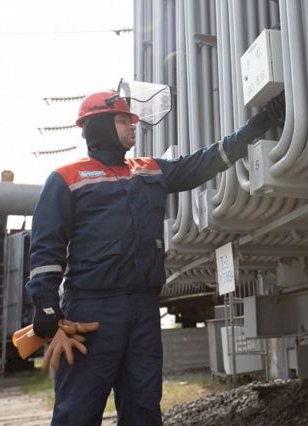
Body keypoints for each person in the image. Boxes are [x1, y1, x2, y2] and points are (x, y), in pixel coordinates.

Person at [25, 89, 285, 425]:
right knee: (77, 411)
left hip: (144, 311)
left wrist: (260, 124)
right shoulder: (66, 179)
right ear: (99, 125)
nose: (133, 126)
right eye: (123, 120)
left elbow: (205, 162)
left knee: (144, 408)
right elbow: (46, 247)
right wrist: (46, 305)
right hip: (91, 313)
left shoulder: (148, 170)